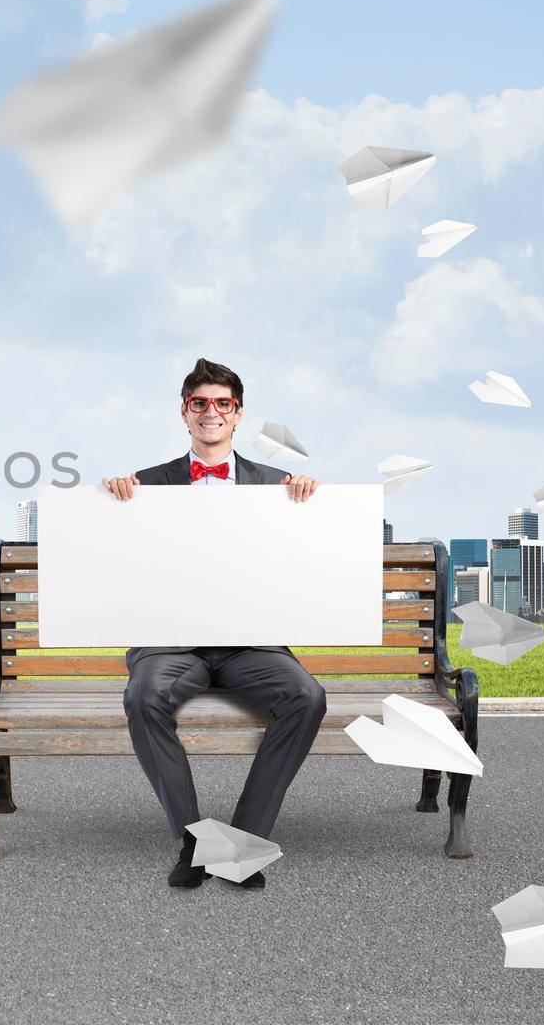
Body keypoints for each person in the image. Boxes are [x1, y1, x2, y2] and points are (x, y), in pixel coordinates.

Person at [100, 357, 325, 890]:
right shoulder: (142, 486)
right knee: (142, 697)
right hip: (172, 646)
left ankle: (241, 845)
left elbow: (311, 558)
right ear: (184, 412)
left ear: (238, 414)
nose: (211, 412)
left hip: (251, 646)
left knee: (308, 697)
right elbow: (110, 556)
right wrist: (108, 501)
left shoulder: (280, 485)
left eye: (223, 403)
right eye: (200, 403)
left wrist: (312, 502)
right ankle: (195, 841)